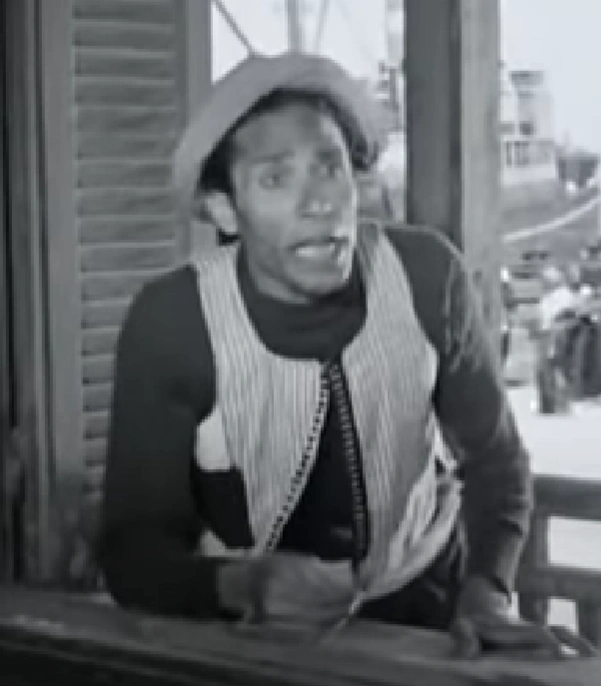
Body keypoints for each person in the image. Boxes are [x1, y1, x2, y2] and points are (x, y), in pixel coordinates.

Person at [99, 52, 594, 658]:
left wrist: (486, 597)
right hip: (246, 637)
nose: (319, 204)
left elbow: (495, 463)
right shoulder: (175, 320)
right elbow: (133, 551)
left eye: (329, 168)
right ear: (225, 210)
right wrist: (241, 586)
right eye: (276, 179)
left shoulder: (426, 277)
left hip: (425, 619)